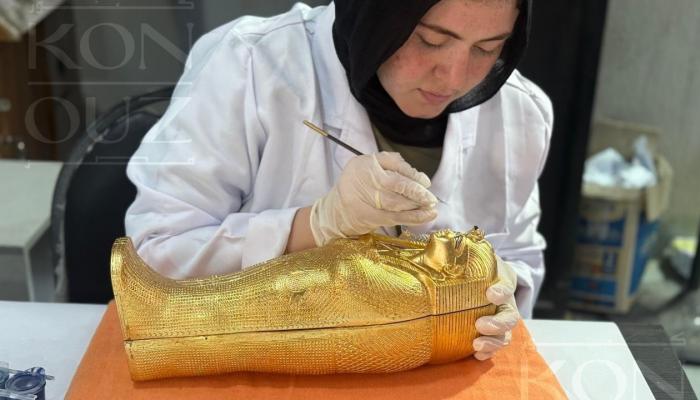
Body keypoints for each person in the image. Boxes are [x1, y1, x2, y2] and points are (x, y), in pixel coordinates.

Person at [125, 0, 553, 362]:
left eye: (487, 48)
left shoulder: (518, 112)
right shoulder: (252, 65)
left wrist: (499, 286)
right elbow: (156, 258)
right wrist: (316, 224)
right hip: (256, 367)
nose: (455, 77)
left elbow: (518, 256)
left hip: (430, 371)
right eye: (430, 40)